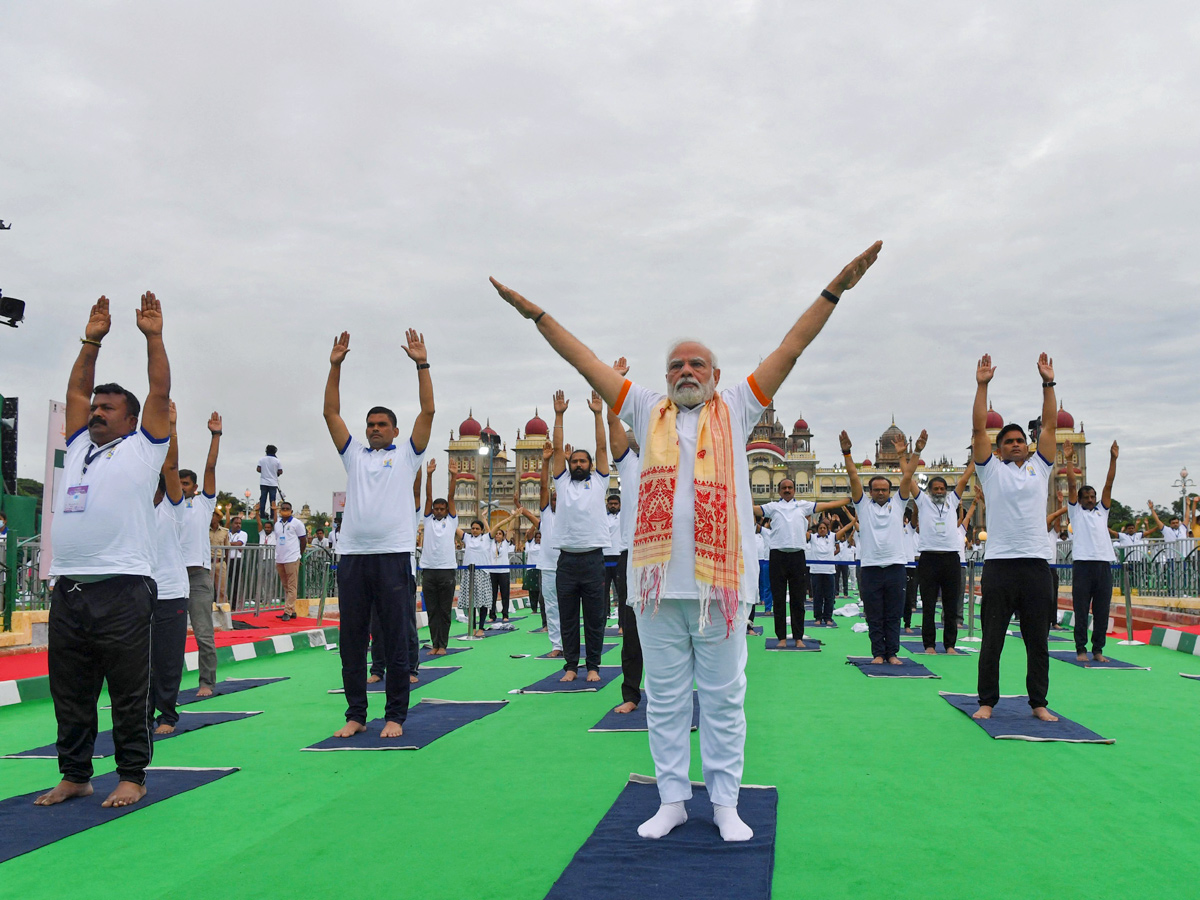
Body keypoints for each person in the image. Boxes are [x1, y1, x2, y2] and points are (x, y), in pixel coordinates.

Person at [491, 239, 882, 842]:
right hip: (656, 585)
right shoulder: (644, 410)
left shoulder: (739, 407)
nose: (686, 373)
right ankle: (671, 799)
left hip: (721, 586)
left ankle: (725, 803)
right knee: (666, 699)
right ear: (663, 377)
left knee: (724, 700)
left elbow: (792, 346)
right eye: (676, 365)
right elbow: (585, 363)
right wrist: (537, 316)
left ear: (717, 376)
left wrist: (836, 289)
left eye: (697, 365)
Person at [37, 291, 171, 809]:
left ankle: (132, 775)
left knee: (128, 692)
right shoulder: (77, 448)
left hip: (123, 589)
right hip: (69, 588)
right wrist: (91, 339)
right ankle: (75, 774)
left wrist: (152, 337)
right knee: (69, 692)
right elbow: (76, 386)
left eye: (107, 408)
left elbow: (160, 389)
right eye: (94, 407)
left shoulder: (144, 446)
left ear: (131, 418)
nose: (95, 411)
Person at [322, 328, 433, 740]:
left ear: (395, 430)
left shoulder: (407, 456)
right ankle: (356, 714)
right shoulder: (354, 456)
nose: (374, 429)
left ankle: (395, 715)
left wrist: (422, 365)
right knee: (352, 639)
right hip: (352, 557)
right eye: (370, 424)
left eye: (382, 424)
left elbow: (428, 413)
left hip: (393, 556)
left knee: (395, 639)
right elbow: (331, 414)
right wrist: (335, 367)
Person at [970, 352, 1060, 723]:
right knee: (992, 639)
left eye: (1021, 439)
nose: (1016, 444)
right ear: (999, 448)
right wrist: (982, 385)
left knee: (1037, 641)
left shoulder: (1040, 468)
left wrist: (1048, 383)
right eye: (1008, 441)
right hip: (1000, 565)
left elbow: (1051, 427)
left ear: (1029, 444)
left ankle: (1038, 702)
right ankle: (987, 701)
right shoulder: (990, 472)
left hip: (1037, 565)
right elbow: (978, 431)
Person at [546, 389, 611, 682]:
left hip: (593, 559)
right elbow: (558, 450)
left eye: (583, 462)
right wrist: (559, 416)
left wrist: (598, 414)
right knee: (568, 618)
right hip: (567, 561)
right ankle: (571, 666)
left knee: (595, 618)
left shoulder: (599, 482)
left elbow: (601, 447)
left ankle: (593, 666)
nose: (578, 465)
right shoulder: (563, 483)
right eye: (575, 462)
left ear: (591, 466)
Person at [841, 430, 911, 665]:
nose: (880, 492)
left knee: (893, 614)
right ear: (870, 492)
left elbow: (908, 476)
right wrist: (847, 453)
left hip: (895, 568)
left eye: (884, 489)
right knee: (874, 615)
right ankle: (878, 654)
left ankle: (892, 653)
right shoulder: (863, 506)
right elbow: (853, 477)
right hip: (870, 568)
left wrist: (910, 453)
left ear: (890, 492)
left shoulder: (899, 504)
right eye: (876, 489)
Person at [754, 481, 849, 648]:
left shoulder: (803, 506)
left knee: (798, 599)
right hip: (777, 556)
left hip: (797, 556)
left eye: (790, 488)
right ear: (779, 491)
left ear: (794, 490)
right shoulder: (772, 507)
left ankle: (798, 637)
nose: (787, 490)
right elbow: (754, 509)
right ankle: (781, 638)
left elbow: (827, 504)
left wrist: (847, 500)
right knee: (779, 599)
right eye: (784, 488)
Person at [904, 435, 974, 654]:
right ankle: (929, 645)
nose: (939, 491)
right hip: (929, 558)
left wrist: (975, 459)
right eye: (935, 488)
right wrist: (905, 454)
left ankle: (950, 644)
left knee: (951, 605)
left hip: (951, 558)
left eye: (942, 488)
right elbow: (908, 478)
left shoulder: (953, 501)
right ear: (930, 491)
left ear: (947, 491)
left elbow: (964, 479)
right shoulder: (922, 501)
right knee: (929, 606)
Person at [608, 357, 644, 714]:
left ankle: (671, 693)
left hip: (673, 555)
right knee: (632, 630)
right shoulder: (631, 463)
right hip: (633, 557)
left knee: (673, 631)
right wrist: (616, 385)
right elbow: (613, 428)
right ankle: (631, 695)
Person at [178, 411, 222, 696]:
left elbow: (210, 469)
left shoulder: (202, 505)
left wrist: (215, 436)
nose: (181, 488)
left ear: (193, 487)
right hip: (169, 577)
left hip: (197, 577)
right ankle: (162, 684)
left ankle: (206, 682)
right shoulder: (164, 505)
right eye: (177, 483)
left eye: (186, 484)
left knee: (204, 635)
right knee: (166, 638)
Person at [151, 402, 189, 734]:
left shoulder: (171, 509)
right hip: (136, 593)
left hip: (170, 592)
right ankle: (141, 713)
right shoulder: (132, 510)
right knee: (136, 661)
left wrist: (171, 427)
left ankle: (167, 715)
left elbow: (171, 466)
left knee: (166, 659)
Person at [1063, 439, 1118, 662]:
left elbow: (1109, 484)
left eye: (1092, 497)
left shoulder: (1101, 512)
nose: (1090, 500)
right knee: (1082, 609)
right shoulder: (1076, 513)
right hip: (1083, 565)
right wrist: (1068, 460)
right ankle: (1081, 649)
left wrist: (1113, 459)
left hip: (1103, 564)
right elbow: (1072, 484)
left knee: (1102, 611)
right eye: (1087, 497)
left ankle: (1098, 650)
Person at [421, 459, 458, 655]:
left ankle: (443, 645)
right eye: (436, 509)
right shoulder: (428, 521)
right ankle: (434, 644)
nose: (438, 511)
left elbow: (451, 497)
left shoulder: (451, 521)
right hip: (428, 570)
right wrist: (429, 475)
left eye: (441, 509)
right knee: (432, 611)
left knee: (444, 611)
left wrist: (453, 476)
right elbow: (428, 497)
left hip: (446, 570)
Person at [807, 518, 855, 624]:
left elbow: (845, 528)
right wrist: (805, 519)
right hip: (816, 571)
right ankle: (818, 618)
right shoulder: (813, 537)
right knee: (817, 596)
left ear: (828, 529)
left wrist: (853, 520)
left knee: (829, 596)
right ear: (817, 529)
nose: (822, 530)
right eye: (820, 528)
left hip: (829, 571)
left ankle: (828, 617)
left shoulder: (833, 536)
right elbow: (801, 531)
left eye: (824, 528)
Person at [273, 501, 307, 620]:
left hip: (292, 557)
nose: (285, 510)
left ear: (291, 511)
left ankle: (287, 611)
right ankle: (291, 609)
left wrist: (299, 555)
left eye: (287, 508)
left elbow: (303, 540)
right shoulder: (277, 524)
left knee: (292, 585)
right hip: (280, 558)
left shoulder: (297, 523)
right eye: (283, 508)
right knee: (286, 585)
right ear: (280, 510)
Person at [226, 514, 248, 611]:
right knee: (222, 583)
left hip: (237, 560)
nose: (238, 525)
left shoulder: (243, 534)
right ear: (231, 524)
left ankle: (234, 606)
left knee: (236, 584)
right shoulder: (226, 533)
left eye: (240, 523)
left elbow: (239, 544)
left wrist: (227, 544)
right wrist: (233, 545)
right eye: (236, 523)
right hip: (226, 560)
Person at [257, 445, 282, 519]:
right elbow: (280, 471)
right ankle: (272, 515)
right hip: (273, 482)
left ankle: (262, 515)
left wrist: (264, 471)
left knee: (263, 499)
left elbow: (258, 469)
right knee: (272, 500)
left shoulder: (262, 459)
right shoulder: (277, 460)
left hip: (263, 482)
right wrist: (275, 473)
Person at [754, 516, 773, 612]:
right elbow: (755, 525)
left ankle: (778, 609)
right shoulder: (766, 532)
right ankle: (768, 608)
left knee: (778, 587)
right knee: (767, 586)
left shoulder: (783, 533)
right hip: (767, 561)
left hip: (779, 562)